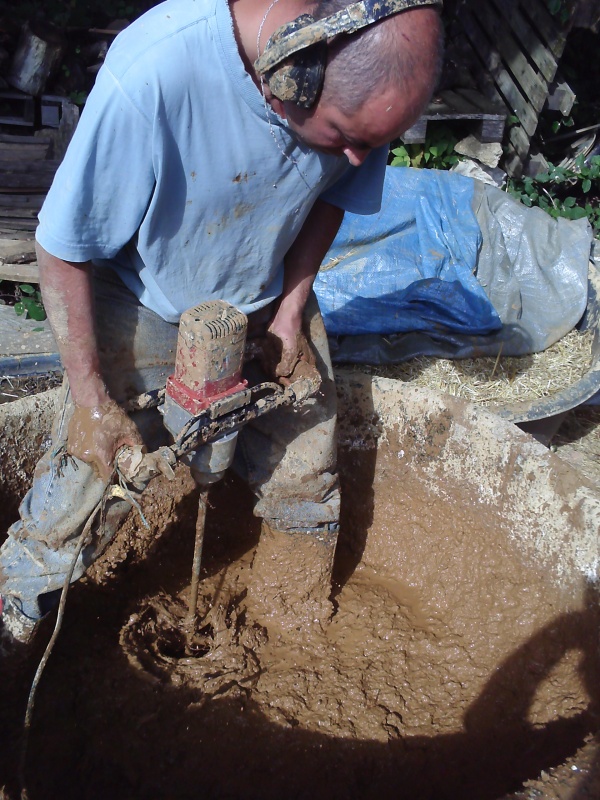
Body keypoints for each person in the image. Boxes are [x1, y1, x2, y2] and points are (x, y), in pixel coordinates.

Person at [0, 0, 442, 646]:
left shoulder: (361, 110)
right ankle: (18, 609)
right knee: (85, 482)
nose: (356, 158)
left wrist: (292, 309)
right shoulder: (156, 73)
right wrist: (91, 400)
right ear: (293, 74)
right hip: (141, 296)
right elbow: (62, 246)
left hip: (268, 295)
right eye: (346, 135)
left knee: (307, 463)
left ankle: (293, 615)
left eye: (372, 144)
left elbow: (332, 199)